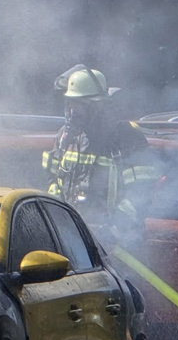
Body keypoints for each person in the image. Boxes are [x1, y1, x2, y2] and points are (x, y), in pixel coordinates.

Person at [43, 64, 147, 235]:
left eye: (79, 106)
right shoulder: (65, 138)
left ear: (97, 106)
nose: (72, 112)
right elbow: (53, 182)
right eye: (69, 104)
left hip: (118, 241)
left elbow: (141, 195)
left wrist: (113, 232)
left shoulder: (126, 138)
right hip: (73, 237)